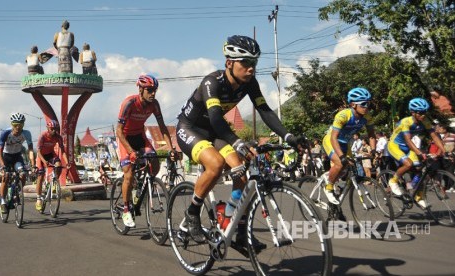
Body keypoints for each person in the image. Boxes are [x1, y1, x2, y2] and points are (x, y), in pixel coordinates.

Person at [175, 35, 301, 243]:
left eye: (254, 63)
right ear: (229, 63)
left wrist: (288, 136)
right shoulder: (212, 82)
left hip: (215, 132)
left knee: (240, 173)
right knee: (215, 164)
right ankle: (192, 212)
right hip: (191, 128)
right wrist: (237, 142)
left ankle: (236, 226)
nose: (251, 68)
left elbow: (265, 111)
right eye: (246, 63)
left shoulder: (250, 83)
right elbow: (215, 117)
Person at [116, 74, 174, 228]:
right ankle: (126, 209)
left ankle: (139, 185)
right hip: (126, 138)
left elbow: (162, 127)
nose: (153, 93)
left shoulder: (154, 104)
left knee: (154, 163)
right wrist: (130, 151)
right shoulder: (129, 103)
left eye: (154, 90)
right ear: (140, 89)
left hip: (140, 136)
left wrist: (171, 148)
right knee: (128, 173)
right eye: (149, 90)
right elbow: (119, 131)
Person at [387, 98, 445, 208]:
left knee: (420, 170)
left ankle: (418, 196)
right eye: (420, 112)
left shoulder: (425, 121)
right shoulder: (406, 122)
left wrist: (443, 149)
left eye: (425, 112)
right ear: (413, 112)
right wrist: (419, 152)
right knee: (408, 164)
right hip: (395, 145)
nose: (423, 115)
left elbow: (433, 135)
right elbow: (408, 140)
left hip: (409, 148)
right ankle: (393, 181)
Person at [322, 87, 376, 204]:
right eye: (363, 104)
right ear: (353, 104)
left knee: (349, 166)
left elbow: (371, 135)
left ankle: (336, 180)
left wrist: (373, 150)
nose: (366, 107)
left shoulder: (367, 117)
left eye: (368, 103)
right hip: (332, 141)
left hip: (345, 143)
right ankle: (329, 187)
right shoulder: (343, 115)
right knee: (340, 162)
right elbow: (333, 137)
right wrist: (341, 156)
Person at [0, 113, 35, 214]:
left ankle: (16, 193)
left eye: (20, 125)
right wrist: (2, 165)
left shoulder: (26, 133)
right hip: (6, 156)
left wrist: (33, 164)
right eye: (15, 124)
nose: (18, 127)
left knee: (22, 174)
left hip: (17, 156)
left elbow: (30, 150)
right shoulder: (5, 133)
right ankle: (2, 201)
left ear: (23, 125)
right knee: (6, 176)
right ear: (12, 124)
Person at [34, 120, 70, 211]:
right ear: (48, 128)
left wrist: (67, 162)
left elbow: (63, 150)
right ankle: (38, 199)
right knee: (40, 176)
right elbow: (38, 151)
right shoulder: (42, 136)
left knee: (58, 165)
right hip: (41, 156)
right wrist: (44, 161)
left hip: (50, 154)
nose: (54, 131)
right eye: (52, 129)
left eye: (56, 129)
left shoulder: (58, 137)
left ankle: (54, 182)